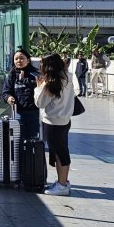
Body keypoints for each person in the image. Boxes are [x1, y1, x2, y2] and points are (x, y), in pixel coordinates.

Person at [35, 53, 76, 196]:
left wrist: (38, 87)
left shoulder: (51, 82)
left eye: (42, 64)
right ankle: (62, 182)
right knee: (62, 151)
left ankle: (62, 185)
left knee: (60, 154)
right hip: (65, 120)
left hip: (52, 122)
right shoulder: (67, 77)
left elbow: (40, 103)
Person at [1, 48, 41, 144]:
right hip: (18, 113)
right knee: (18, 141)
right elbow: (5, 92)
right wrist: (8, 98)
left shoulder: (36, 74)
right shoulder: (11, 75)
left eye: (22, 58)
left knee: (32, 142)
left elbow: (40, 89)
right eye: (16, 59)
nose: (19, 61)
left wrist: (25, 80)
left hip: (34, 113)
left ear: (28, 60)